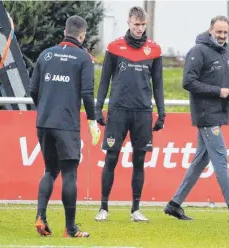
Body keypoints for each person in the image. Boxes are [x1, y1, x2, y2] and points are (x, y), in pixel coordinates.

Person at [163, 15, 229, 222]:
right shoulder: (197, 51)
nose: (222, 36)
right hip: (205, 113)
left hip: (219, 112)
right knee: (220, 157)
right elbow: (188, 82)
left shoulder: (226, 51)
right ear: (210, 30)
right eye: (219, 31)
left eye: (225, 32)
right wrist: (219, 91)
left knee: (201, 160)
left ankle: (174, 204)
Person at [29, 15, 99, 238]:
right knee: (69, 173)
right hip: (66, 124)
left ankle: (41, 215)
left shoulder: (46, 54)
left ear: (64, 31)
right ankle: (70, 228)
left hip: (44, 122)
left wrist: (45, 108)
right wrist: (92, 120)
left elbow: (33, 90)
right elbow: (87, 94)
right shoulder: (83, 58)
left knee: (50, 169)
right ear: (83, 35)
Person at [94, 6, 165, 222]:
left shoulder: (154, 49)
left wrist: (161, 113)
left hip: (143, 112)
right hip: (118, 110)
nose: (139, 29)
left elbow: (159, 84)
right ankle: (103, 208)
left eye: (143, 25)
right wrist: (98, 108)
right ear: (129, 22)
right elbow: (105, 79)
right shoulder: (114, 47)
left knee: (139, 160)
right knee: (111, 157)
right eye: (136, 24)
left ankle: (135, 210)